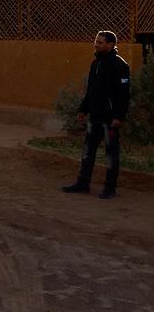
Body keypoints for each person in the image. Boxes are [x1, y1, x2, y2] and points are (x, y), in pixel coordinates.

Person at [63, 30, 131, 199]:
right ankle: (83, 183)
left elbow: (124, 95)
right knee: (87, 151)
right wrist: (83, 109)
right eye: (96, 41)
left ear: (110, 45)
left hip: (110, 120)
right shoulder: (96, 64)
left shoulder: (120, 66)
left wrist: (118, 117)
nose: (96, 44)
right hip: (94, 117)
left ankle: (110, 188)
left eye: (100, 42)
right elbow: (91, 90)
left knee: (110, 154)